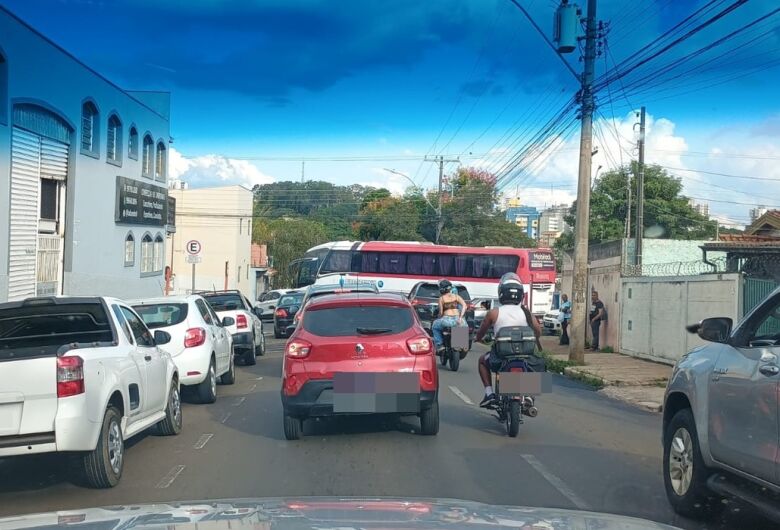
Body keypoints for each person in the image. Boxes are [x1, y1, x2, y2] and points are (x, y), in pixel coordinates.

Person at [475, 273, 541, 407]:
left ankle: (489, 394)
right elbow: (538, 331)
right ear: (520, 295)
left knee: (482, 361)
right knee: (536, 365)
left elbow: (481, 331)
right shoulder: (526, 312)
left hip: (501, 355)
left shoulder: (494, 312)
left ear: (501, 293)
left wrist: (478, 339)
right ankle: (529, 395)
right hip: (524, 354)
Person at [431, 279, 467, 352]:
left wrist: (438, 317)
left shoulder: (441, 298)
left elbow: (441, 312)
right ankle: (461, 345)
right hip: (457, 319)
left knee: (434, 326)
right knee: (463, 326)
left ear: (442, 289)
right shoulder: (456, 296)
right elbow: (465, 306)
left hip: (446, 320)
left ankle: (440, 345)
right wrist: (460, 317)